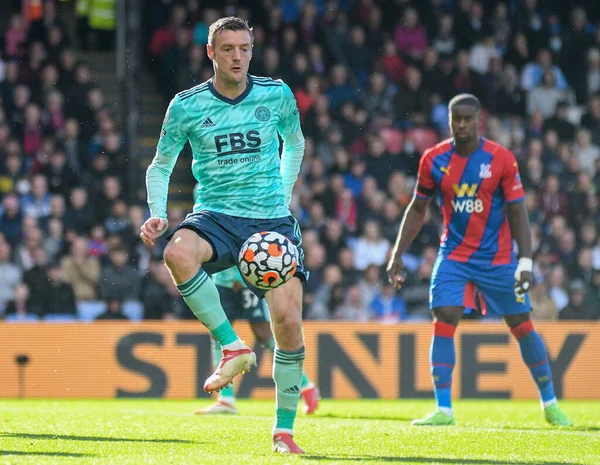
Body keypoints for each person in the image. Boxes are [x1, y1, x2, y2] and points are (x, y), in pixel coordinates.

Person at [140, 17, 307, 454]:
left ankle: (284, 431)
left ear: (252, 50)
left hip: (270, 220)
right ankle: (233, 347)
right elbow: (159, 166)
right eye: (228, 48)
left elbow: (296, 142)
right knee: (177, 253)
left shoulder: (277, 95)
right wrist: (158, 213)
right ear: (211, 53)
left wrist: (283, 193)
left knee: (288, 325)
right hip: (216, 215)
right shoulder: (186, 105)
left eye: (245, 48)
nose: (238, 56)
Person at [386, 93, 572, 427]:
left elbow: (518, 213)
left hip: (497, 259)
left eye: (467, 119)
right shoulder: (433, 159)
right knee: (444, 315)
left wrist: (526, 262)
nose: (461, 124)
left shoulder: (501, 159)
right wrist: (397, 253)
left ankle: (550, 404)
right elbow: (417, 208)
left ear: (478, 120)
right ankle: (444, 409)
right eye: (455, 119)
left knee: (521, 325)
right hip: (453, 255)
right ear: (449, 120)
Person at [196, 267, 319, 416]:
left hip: (247, 279)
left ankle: (306, 386)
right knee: (218, 333)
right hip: (221, 281)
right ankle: (226, 400)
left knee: (263, 334)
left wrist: (239, 276)